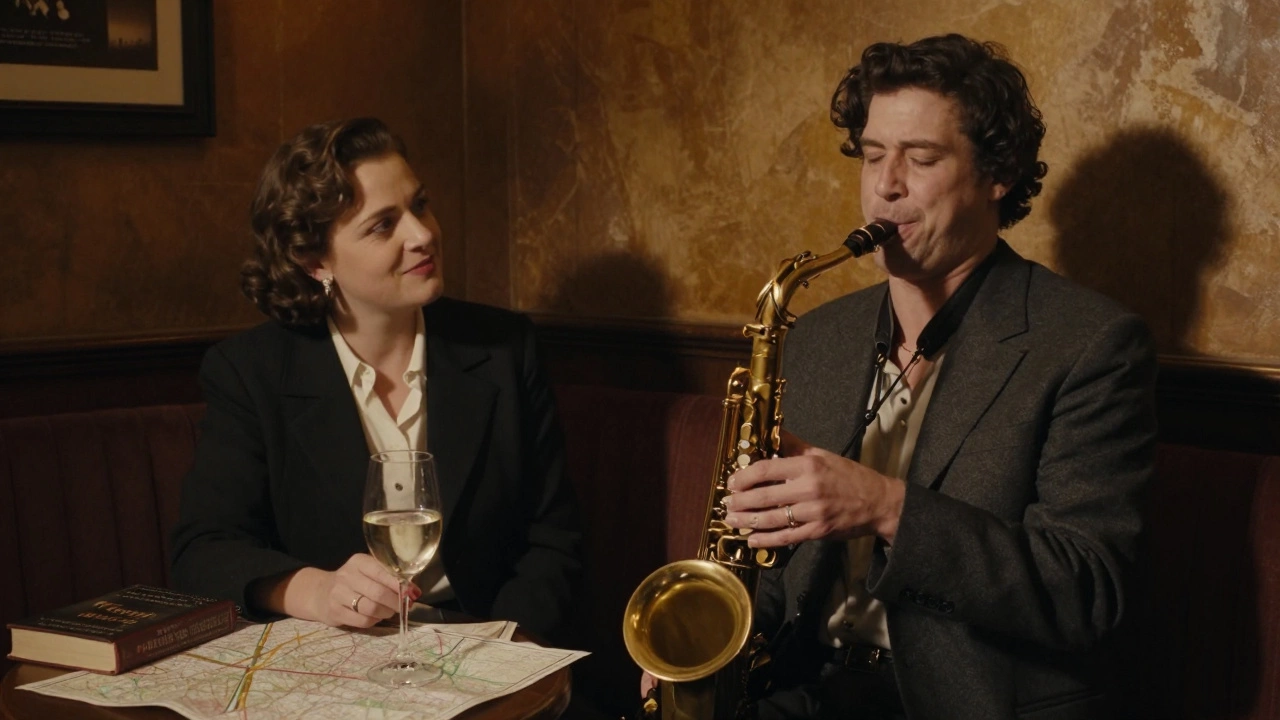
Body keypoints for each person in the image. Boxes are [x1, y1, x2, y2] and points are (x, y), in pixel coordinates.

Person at [699, 34, 1156, 719]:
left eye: (921, 158)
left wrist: (888, 508)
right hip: (808, 687)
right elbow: (767, 567)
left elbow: (1084, 589)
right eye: (873, 155)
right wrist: (707, 650)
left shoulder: (1090, 345)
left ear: (998, 175)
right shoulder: (818, 337)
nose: (886, 185)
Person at [170, 118, 581, 644]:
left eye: (420, 205)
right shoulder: (251, 372)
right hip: (337, 654)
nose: (423, 234)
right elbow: (204, 551)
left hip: (492, 641)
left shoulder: (504, 348)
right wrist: (317, 591)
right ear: (313, 259)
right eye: (383, 225)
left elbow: (554, 538)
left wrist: (508, 645)